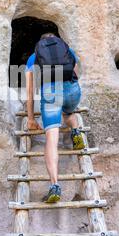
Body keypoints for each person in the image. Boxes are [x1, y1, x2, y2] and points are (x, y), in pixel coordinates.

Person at [25, 33, 84, 203]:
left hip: (51, 92)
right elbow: (75, 74)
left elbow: (30, 93)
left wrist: (31, 118)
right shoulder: (68, 50)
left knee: (52, 139)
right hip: (72, 90)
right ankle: (75, 131)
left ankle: (55, 185)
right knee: (69, 113)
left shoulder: (33, 57)